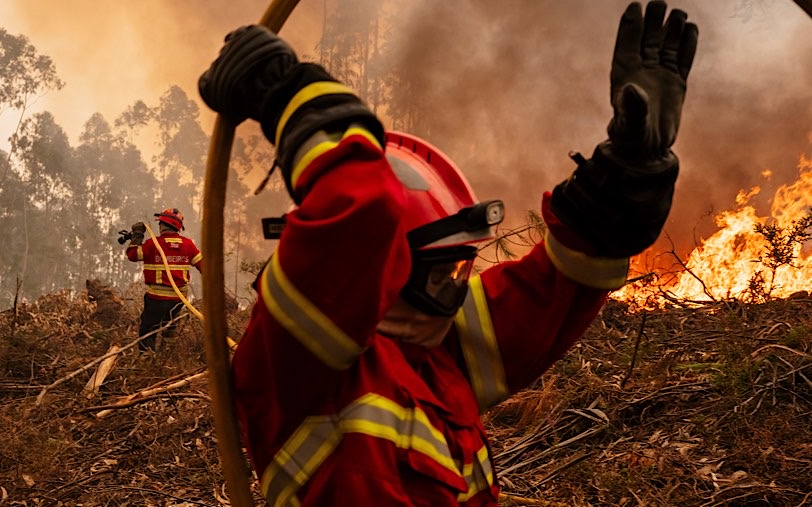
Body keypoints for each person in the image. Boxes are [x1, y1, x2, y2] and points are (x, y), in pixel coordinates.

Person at [198, 1, 697, 504]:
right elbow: (360, 210)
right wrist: (289, 92)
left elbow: (550, 292)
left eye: (458, 270)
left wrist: (627, 178)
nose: (453, 292)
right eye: (439, 274)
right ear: (379, 268)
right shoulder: (298, 364)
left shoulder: (435, 358)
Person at [125, 208, 203, 351]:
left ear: (163, 225)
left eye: (160, 223)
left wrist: (137, 235)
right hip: (179, 299)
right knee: (170, 328)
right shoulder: (188, 245)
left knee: (148, 330)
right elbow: (204, 267)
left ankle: (147, 360)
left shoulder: (152, 244)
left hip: (156, 299)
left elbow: (132, 255)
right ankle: (167, 355)